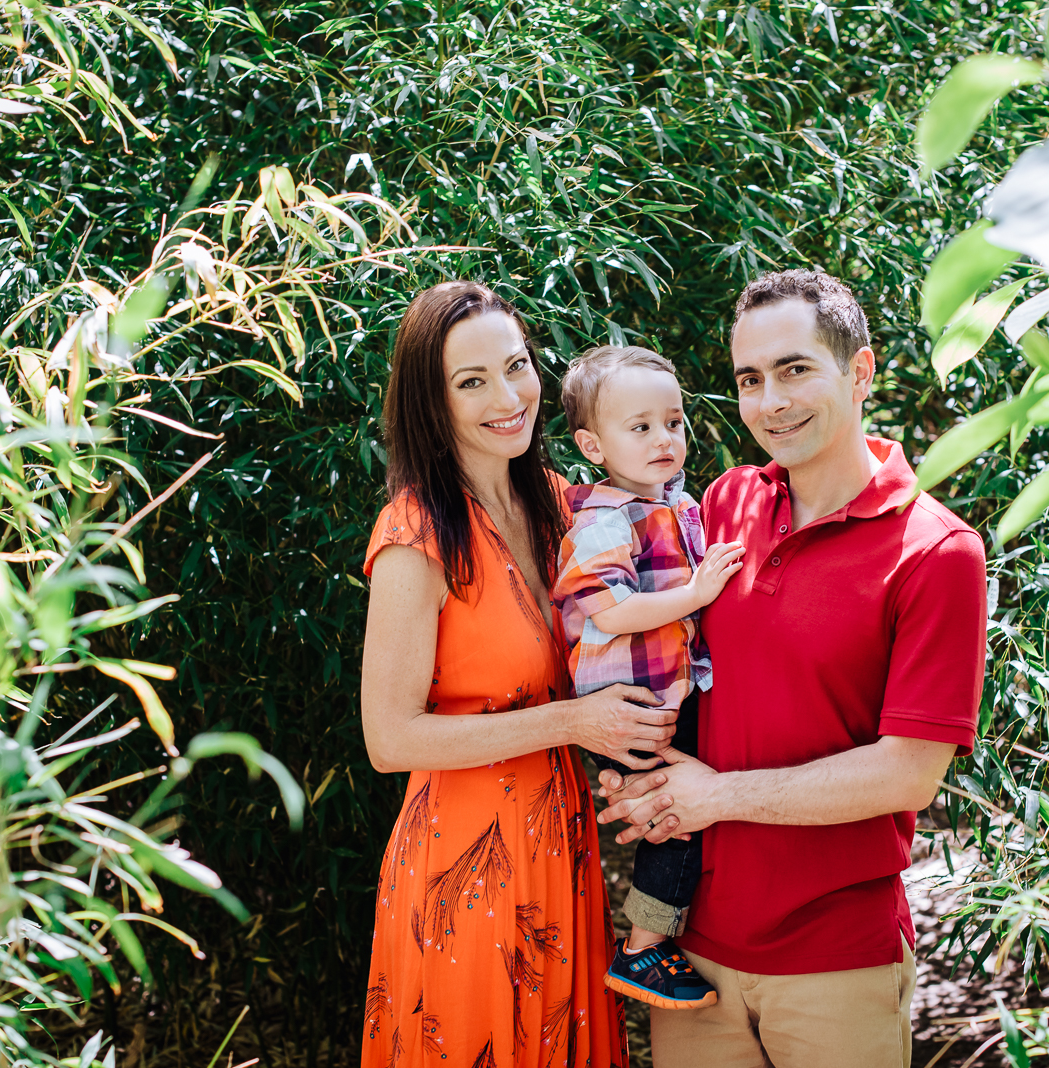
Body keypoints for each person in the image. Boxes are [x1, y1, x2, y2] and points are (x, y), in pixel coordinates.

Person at [596, 270, 988, 1068]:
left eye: (796, 369)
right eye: (750, 379)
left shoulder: (938, 552)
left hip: (836, 958)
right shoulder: (728, 501)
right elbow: (673, 665)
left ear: (862, 370)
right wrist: (638, 766)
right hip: (691, 955)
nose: (771, 401)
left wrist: (713, 796)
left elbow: (908, 775)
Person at [358, 281, 668, 1068]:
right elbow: (389, 739)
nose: (509, 396)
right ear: (433, 402)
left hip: (562, 842)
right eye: (472, 382)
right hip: (466, 864)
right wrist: (572, 724)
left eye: (518, 366)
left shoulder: (567, 509)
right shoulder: (415, 533)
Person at [551, 346, 744, 1011]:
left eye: (674, 422)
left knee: (683, 806)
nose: (665, 439)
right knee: (679, 812)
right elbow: (614, 607)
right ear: (592, 444)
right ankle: (643, 949)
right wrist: (698, 591)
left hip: (663, 691)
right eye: (641, 428)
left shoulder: (673, 502)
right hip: (629, 704)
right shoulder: (606, 517)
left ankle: (654, 940)